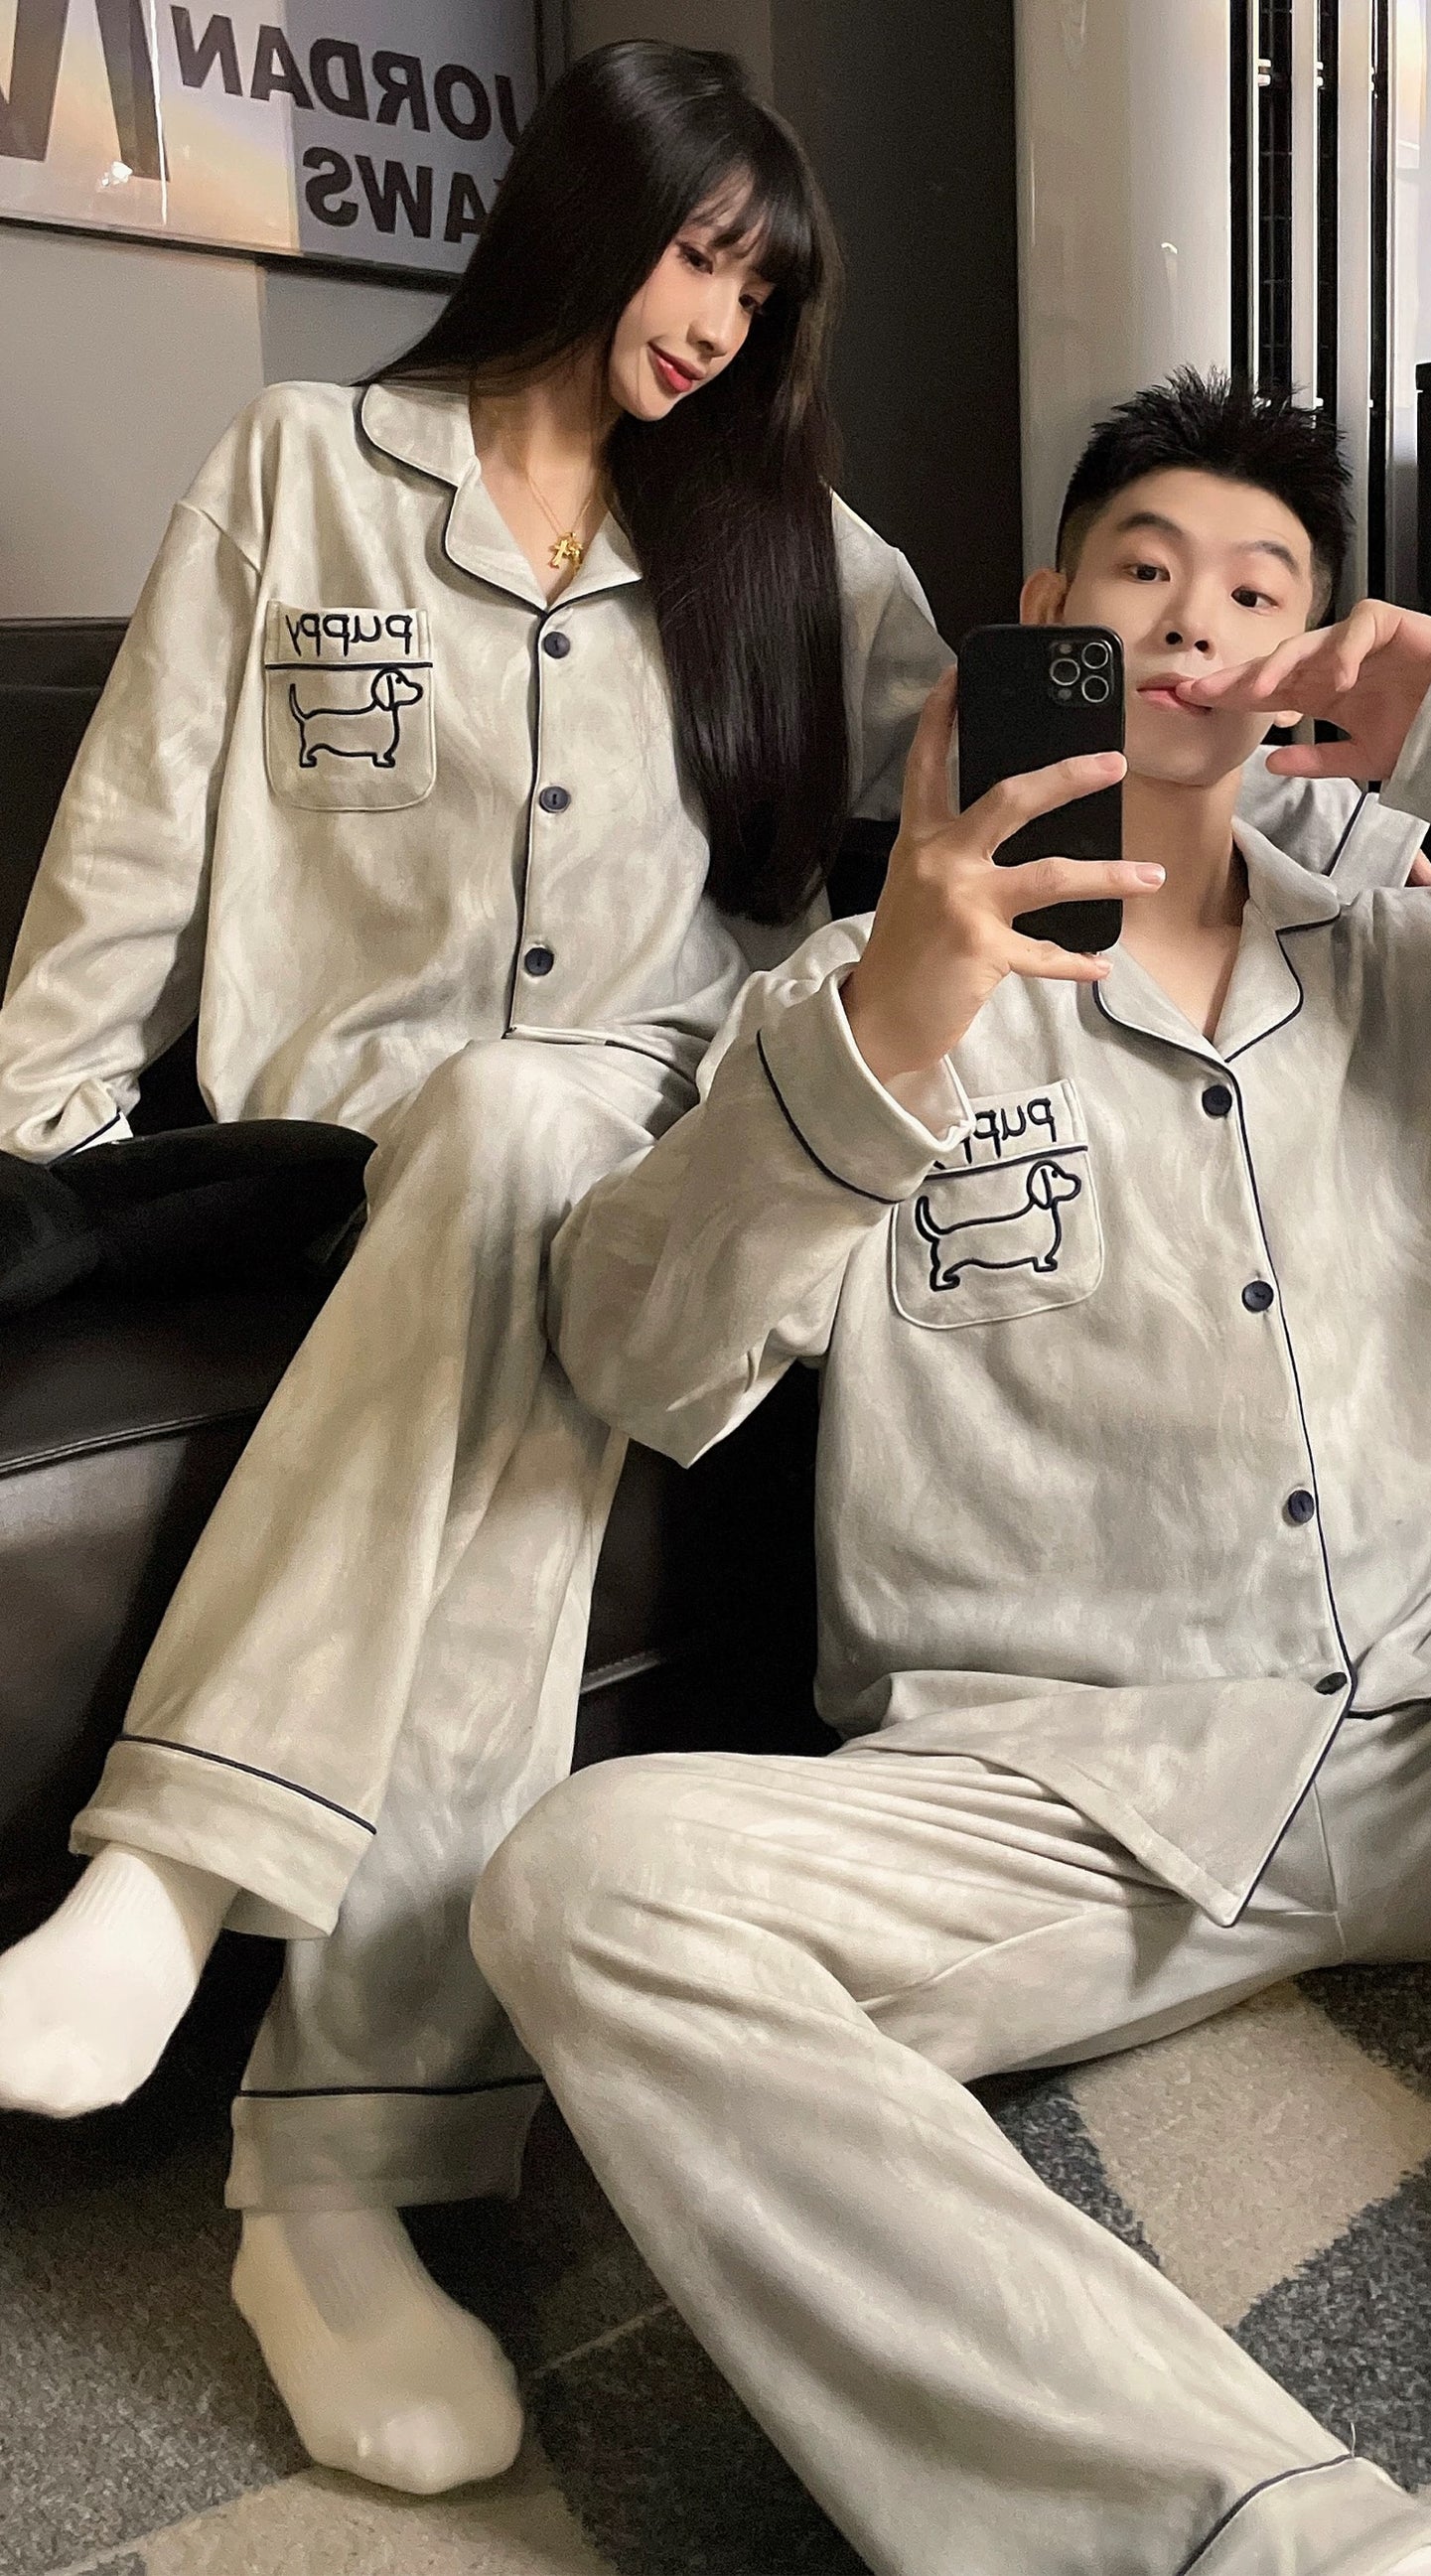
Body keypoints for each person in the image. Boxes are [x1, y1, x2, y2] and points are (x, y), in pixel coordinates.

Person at [471, 371, 1431, 2576]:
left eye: (1260, 591)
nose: (1193, 618)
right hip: (1078, 1802)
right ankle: (1277, 2545)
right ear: (1041, 614)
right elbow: (636, 1357)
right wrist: (890, 1028)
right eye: (1141, 572)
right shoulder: (858, 1001)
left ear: (1311, 660)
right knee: (588, 1881)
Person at [0, 39, 958, 2496]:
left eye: (760, 291)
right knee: (504, 1147)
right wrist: (32, 1148)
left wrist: (1276, 815)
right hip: (350, 1155)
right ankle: (329, 2191)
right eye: (697, 257)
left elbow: (1014, 781)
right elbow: (131, 836)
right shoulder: (300, 471)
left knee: (547, 1127)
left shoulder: (799, 555)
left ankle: (166, 1884)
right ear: (581, 210)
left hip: (642, 1146)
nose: (718, 324)